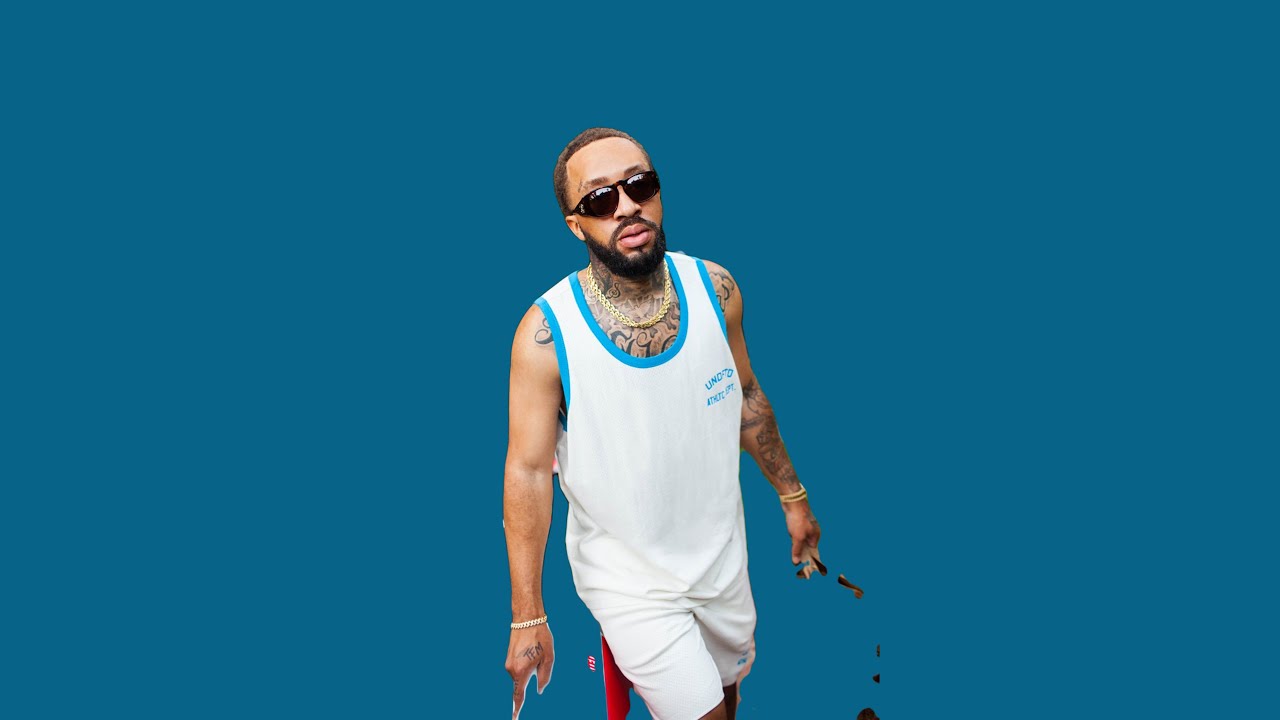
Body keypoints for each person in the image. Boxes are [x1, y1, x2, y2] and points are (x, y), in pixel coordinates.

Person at [503, 127, 822, 720]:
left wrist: (792, 496)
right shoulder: (547, 334)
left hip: (722, 560)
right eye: (601, 198)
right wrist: (528, 614)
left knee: (728, 695)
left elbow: (747, 397)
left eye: (640, 185)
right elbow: (526, 471)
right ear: (576, 225)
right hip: (629, 581)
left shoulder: (715, 289)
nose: (627, 205)